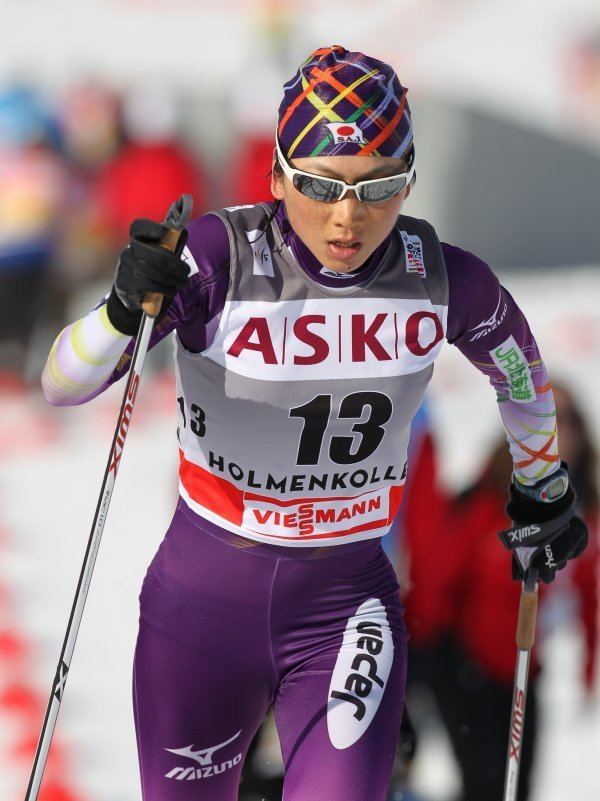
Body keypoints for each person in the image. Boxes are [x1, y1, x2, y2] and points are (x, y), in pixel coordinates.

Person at [41, 46, 588, 801]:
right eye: (319, 184)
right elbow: (62, 383)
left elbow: (519, 369)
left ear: (409, 181)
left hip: (346, 607)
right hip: (204, 603)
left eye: (379, 187)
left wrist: (542, 483)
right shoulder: (221, 257)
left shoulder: (439, 275)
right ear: (275, 175)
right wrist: (118, 309)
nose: (347, 215)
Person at [403, 383, 598, 801]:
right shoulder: (492, 499)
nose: (558, 434)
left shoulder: (589, 514)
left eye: (566, 421)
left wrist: (588, 668)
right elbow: (440, 570)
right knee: (486, 785)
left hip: (524, 666)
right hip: (466, 661)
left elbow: (589, 592)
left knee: (517, 788)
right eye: (547, 424)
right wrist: (428, 650)